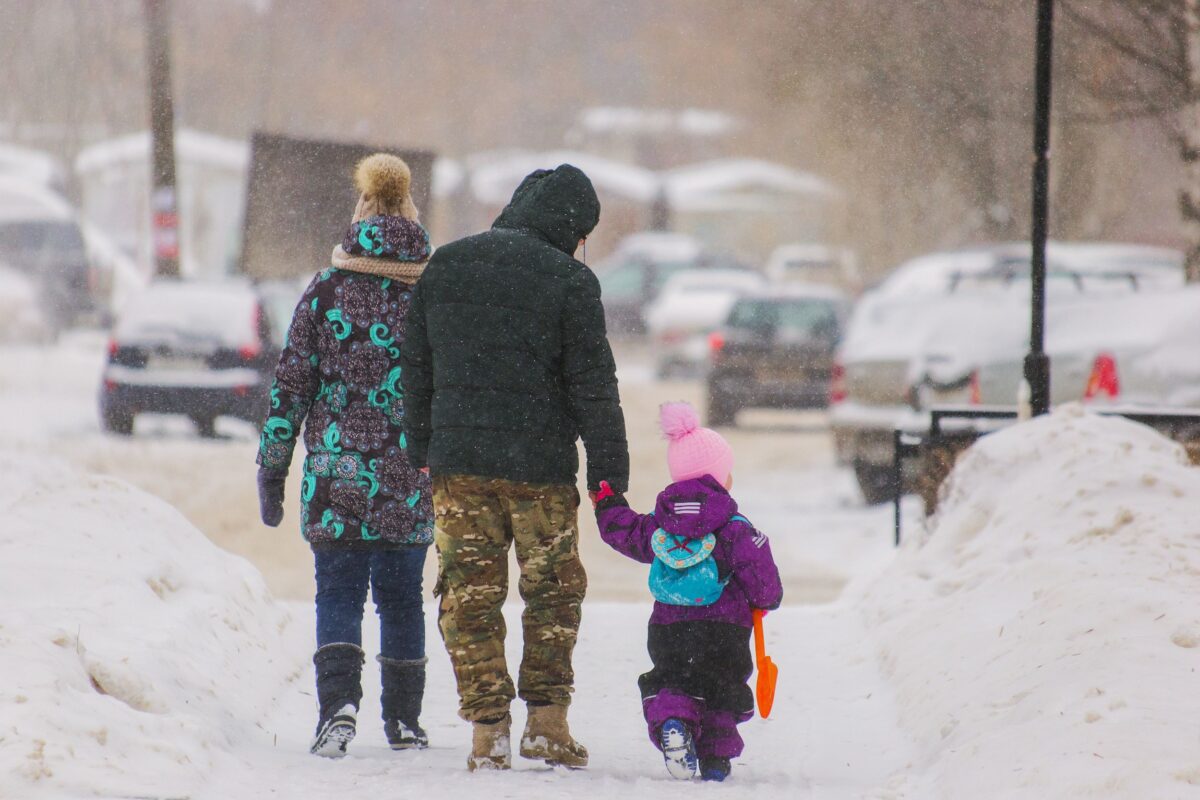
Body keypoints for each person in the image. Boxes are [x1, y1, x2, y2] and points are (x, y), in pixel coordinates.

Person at [400, 164, 629, 771]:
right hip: (541, 470)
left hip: (458, 469)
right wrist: (609, 479)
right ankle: (547, 725)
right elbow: (594, 389)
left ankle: (488, 732)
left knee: (469, 596)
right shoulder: (571, 282)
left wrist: (420, 447)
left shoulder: (445, 265)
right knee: (551, 594)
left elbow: (415, 367)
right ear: (574, 227)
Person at [256, 154, 435, 758]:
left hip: (338, 477)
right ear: (411, 208)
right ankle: (405, 722)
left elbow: (292, 382)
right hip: (412, 478)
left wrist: (273, 464)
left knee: (337, 596)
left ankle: (338, 711)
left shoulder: (327, 287)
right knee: (402, 599)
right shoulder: (433, 291)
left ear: (361, 209)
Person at [593, 401, 782, 782]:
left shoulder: (659, 526)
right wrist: (765, 600)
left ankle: (673, 720)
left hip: (670, 627)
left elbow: (624, 532)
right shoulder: (735, 528)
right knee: (722, 689)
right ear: (719, 478)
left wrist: (608, 503)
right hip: (726, 629)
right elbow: (762, 578)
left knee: (673, 679)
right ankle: (715, 759)